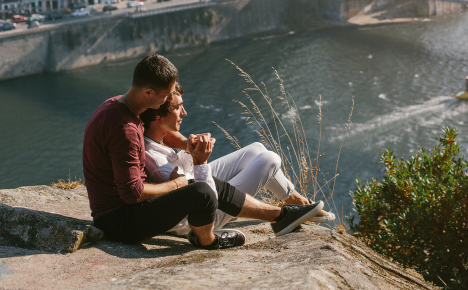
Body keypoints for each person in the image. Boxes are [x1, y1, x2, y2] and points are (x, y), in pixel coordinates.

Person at [82, 54, 323, 251]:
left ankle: (284, 215)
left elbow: (158, 133)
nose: (170, 99)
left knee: (238, 162)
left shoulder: (122, 106)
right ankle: (209, 240)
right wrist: (179, 184)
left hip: (125, 210)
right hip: (120, 221)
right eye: (167, 96)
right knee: (200, 189)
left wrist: (187, 144)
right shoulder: (124, 128)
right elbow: (132, 193)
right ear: (148, 93)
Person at [140, 82, 334, 237]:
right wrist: (201, 161)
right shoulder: (158, 164)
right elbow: (204, 197)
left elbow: (186, 174)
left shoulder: (152, 137)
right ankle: (286, 217)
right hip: (199, 220)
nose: (184, 113)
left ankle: (297, 202)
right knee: (270, 159)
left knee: (256, 149)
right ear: (158, 114)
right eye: (178, 108)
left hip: (195, 191)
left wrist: (190, 148)